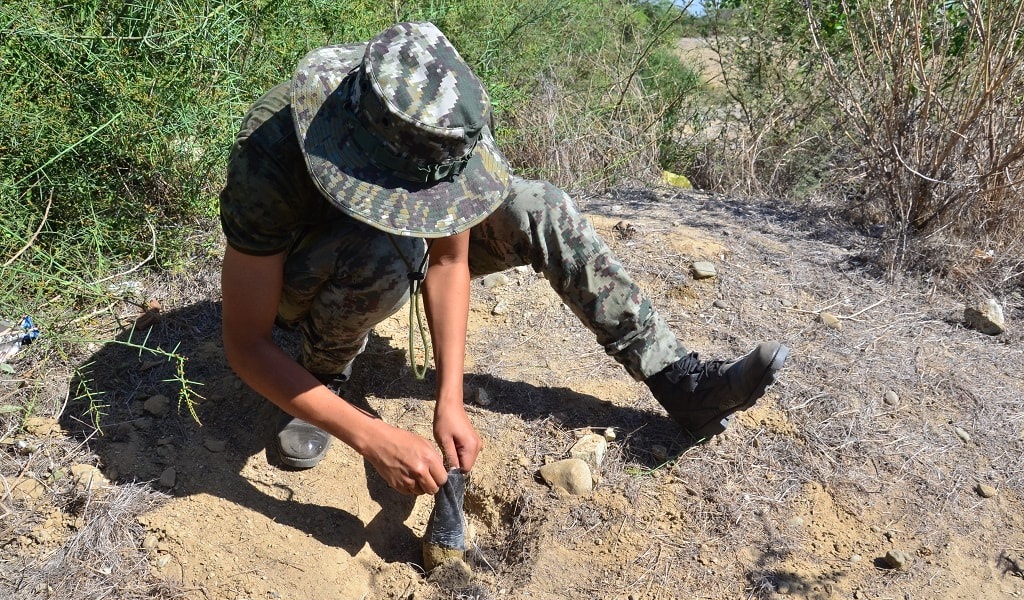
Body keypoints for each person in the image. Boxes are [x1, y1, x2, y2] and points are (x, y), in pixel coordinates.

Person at [219, 22, 788, 497]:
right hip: (302, 278)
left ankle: (677, 381)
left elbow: (447, 260)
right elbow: (246, 343)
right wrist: (369, 435)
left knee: (540, 205)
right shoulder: (273, 149)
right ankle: (324, 374)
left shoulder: (446, 122)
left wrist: (451, 399)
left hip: (389, 245)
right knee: (381, 255)